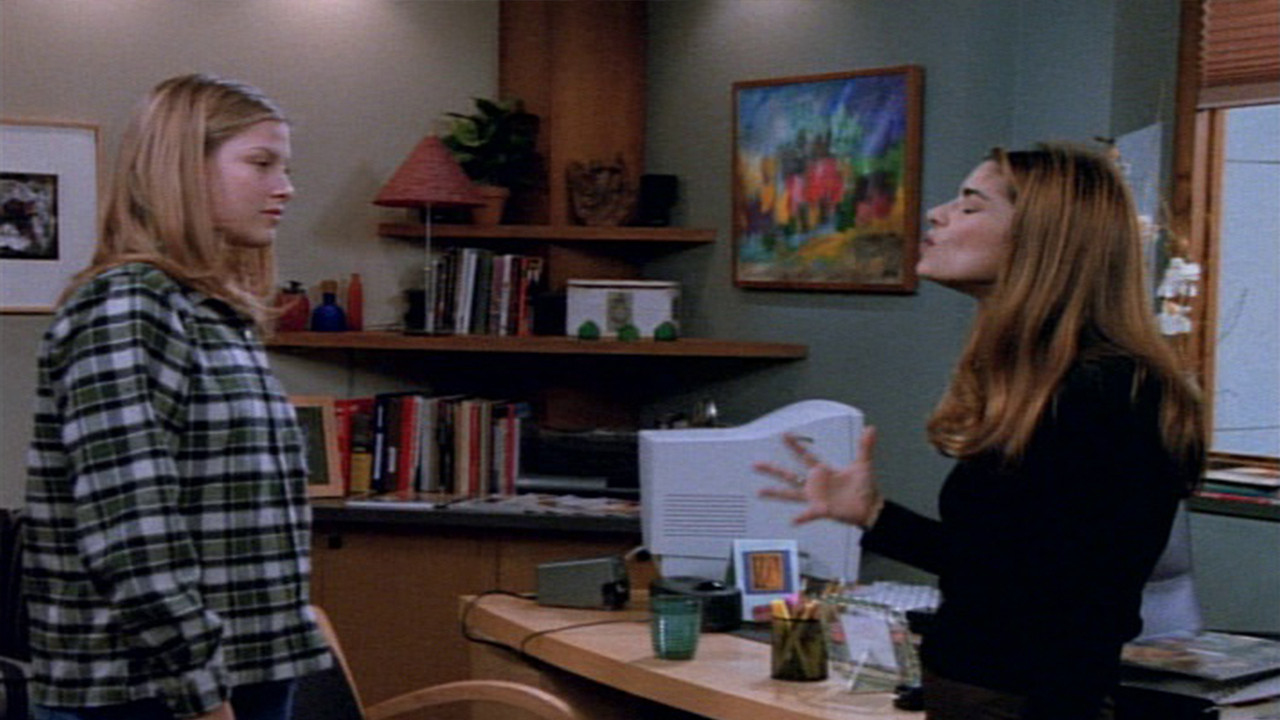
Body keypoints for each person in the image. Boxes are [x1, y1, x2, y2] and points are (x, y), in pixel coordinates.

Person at [757, 144, 1204, 720]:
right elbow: (1001, 561)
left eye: (970, 206)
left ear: (1041, 239)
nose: (937, 214)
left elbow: (1049, 591)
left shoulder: (1107, 391)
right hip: (978, 690)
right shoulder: (1044, 381)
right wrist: (873, 515)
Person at [23, 74, 331, 720]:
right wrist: (201, 690)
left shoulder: (210, 312)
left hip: (245, 668)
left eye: (285, 167)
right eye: (261, 164)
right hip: (147, 689)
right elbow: (132, 529)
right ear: (183, 168)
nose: (285, 187)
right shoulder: (128, 305)